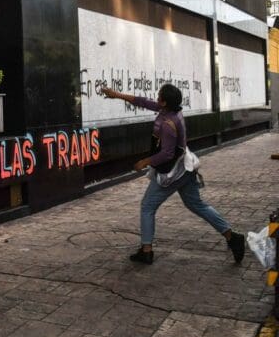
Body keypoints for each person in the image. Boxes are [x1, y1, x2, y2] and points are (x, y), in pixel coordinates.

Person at [102, 84, 245, 265]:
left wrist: (144, 161)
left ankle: (146, 251)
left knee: (147, 206)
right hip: (185, 168)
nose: (156, 98)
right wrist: (116, 95)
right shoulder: (169, 111)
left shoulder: (169, 124)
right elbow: (143, 102)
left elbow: (166, 154)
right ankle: (232, 237)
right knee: (196, 204)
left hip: (173, 172)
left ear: (164, 102)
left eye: (159, 95)